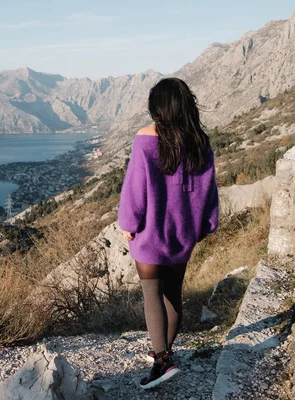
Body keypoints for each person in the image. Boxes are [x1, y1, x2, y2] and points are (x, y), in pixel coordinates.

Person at [118, 77, 219, 390]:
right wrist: (206, 224)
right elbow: (209, 191)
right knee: (173, 291)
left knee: (152, 293)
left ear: (157, 107)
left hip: (151, 232)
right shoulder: (200, 141)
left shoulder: (146, 139)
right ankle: (164, 351)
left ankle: (162, 361)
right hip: (184, 232)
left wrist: (128, 224)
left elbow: (135, 189)